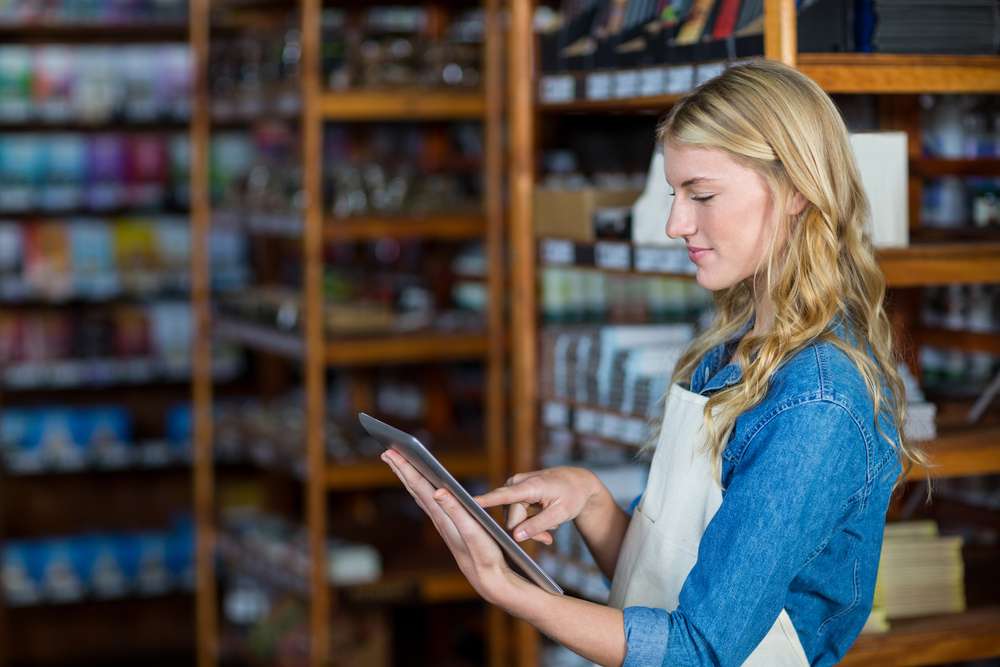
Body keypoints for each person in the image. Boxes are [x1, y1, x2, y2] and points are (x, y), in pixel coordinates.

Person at [381, 59, 924, 667]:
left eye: (703, 194)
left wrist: (508, 589)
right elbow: (664, 586)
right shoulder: (727, 353)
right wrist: (590, 500)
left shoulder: (817, 404)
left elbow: (699, 650)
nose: (675, 224)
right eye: (674, 193)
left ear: (796, 189)